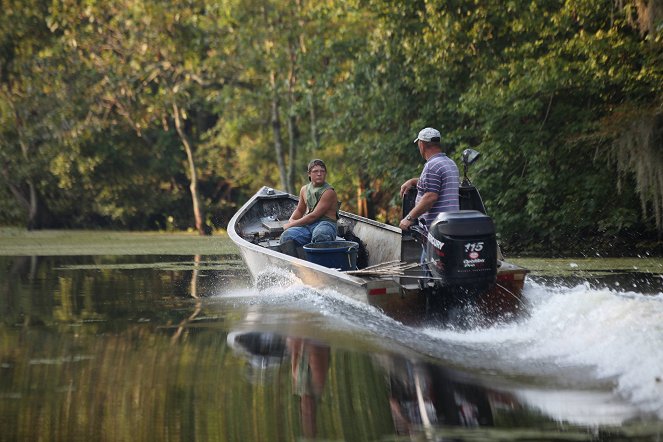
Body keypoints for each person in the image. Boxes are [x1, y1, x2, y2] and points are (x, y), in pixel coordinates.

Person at [399, 127, 459, 232]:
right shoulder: (449, 163)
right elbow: (438, 184)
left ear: (421, 144)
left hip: (437, 231)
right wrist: (413, 181)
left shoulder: (432, 166)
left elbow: (431, 196)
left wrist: (409, 218)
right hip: (451, 226)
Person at [279, 159, 339, 257]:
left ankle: (320, 265)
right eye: (315, 171)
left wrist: (291, 225)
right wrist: (291, 220)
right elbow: (300, 210)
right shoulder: (304, 189)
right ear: (309, 174)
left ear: (325, 173)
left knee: (320, 234)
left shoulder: (329, 192)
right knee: (287, 236)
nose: (319, 174)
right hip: (308, 226)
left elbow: (314, 216)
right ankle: (294, 266)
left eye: (322, 171)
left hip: (326, 224)